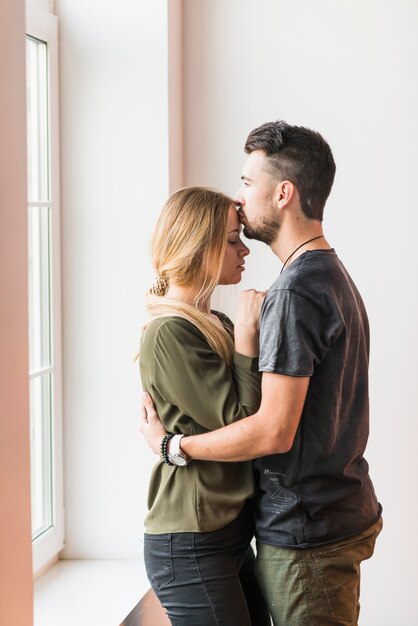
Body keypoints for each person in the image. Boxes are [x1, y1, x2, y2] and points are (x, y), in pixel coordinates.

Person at [140, 121, 383, 626]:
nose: (239, 195)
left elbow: (270, 429)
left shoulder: (294, 291)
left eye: (248, 183)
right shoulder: (327, 275)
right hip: (318, 517)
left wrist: (173, 447)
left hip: (307, 529)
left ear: (283, 193)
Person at [138, 186, 271, 626]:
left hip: (223, 533)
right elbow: (245, 422)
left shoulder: (213, 321)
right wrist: (248, 338)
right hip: (191, 540)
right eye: (233, 239)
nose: (244, 249)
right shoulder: (169, 332)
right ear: (200, 245)